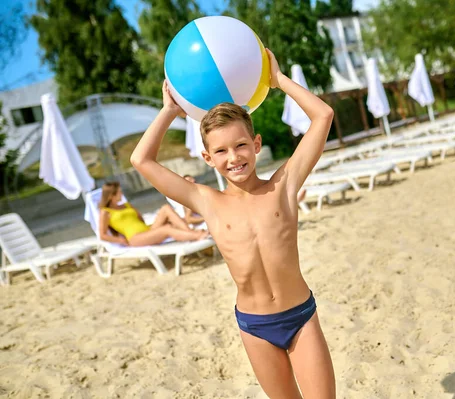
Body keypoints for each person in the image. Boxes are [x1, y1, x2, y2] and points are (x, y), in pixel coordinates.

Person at [130, 49, 335, 398]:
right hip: (255, 326)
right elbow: (141, 159)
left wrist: (279, 81)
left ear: (256, 145)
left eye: (241, 145)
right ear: (207, 158)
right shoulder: (205, 201)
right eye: (221, 151)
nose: (234, 157)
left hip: (300, 316)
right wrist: (168, 112)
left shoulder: (283, 186)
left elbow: (323, 115)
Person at [98, 181, 209, 247]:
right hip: (135, 238)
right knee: (167, 228)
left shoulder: (126, 205)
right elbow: (102, 235)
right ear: (111, 196)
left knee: (165, 208)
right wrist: (120, 240)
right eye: (119, 192)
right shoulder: (105, 212)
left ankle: (189, 232)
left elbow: (140, 219)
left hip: (147, 230)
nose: (121, 194)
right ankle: (197, 235)